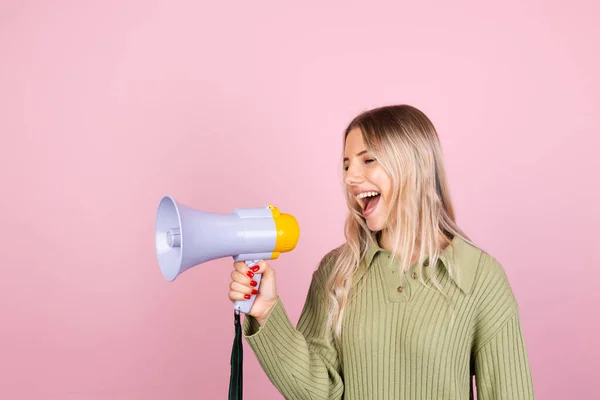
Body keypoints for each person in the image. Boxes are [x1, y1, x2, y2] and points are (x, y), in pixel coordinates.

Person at [228, 104, 535, 399]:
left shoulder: (479, 276)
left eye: (368, 160)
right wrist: (267, 312)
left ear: (413, 166)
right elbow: (319, 393)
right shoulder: (336, 271)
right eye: (347, 164)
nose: (349, 177)